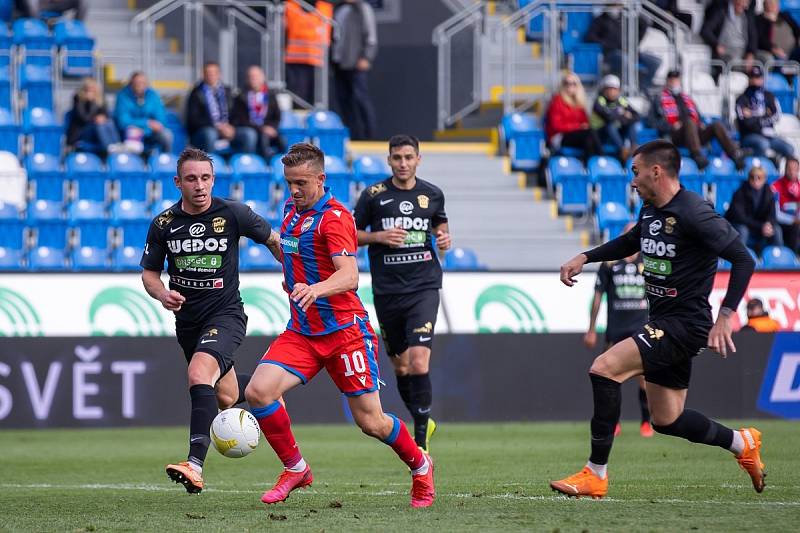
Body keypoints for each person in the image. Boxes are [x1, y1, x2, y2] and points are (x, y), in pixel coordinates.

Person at [552, 140, 763, 500]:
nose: (631, 181)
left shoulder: (695, 212)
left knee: (604, 368)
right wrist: (584, 257)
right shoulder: (650, 210)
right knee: (667, 419)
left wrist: (726, 315)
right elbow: (631, 241)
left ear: (656, 171)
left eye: (635, 172)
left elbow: (743, 259)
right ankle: (740, 442)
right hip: (664, 319)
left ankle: (595, 474)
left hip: (685, 324)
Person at [243, 143, 435, 508]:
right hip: (302, 329)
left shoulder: (335, 217)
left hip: (345, 332)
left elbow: (349, 276)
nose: (294, 191)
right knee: (259, 392)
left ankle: (420, 465)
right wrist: (282, 261)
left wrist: (315, 289)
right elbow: (292, 251)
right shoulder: (291, 210)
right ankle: (296, 468)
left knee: (372, 422)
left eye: (301, 183)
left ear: (321, 178)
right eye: (289, 183)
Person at [140, 147, 281, 494]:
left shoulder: (233, 213)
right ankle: (271, 386)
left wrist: (298, 277)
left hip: (226, 314)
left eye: (205, 178)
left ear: (213, 180)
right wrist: (161, 294)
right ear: (178, 182)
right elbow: (149, 274)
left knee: (198, 374)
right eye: (191, 179)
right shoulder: (163, 224)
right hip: (188, 323)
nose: (199, 185)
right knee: (227, 395)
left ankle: (194, 465)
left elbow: (274, 241)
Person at [353, 134, 451, 452]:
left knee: (419, 362)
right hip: (387, 290)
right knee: (402, 367)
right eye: (397, 158)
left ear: (418, 159)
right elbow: (351, 235)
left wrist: (444, 239)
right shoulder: (373, 196)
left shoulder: (433, 194)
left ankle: (420, 440)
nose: (404, 163)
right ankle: (423, 420)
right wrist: (380, 236)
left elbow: (440, 227)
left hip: (423, 287)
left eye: (409, 157)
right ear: (389, 160)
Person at [584, 222, 652, 438]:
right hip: (616, 328)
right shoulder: (610, 263)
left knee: (643, 378)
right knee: (611, 377)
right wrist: (592, 329)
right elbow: (597, 296)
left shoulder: (649, 263)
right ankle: (615, 423)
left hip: (640, 327)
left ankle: (645, 422)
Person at [652, 69, 745, 170]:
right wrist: (671, 126)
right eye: (672, 80)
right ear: (667, 81)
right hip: (676, 135)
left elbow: (698, 116)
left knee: (716, 125)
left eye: (676, 80)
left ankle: (734, 154)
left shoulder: (687, 98)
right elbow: (653, 121)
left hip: (694, 133)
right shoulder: (659, 99)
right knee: (689, 121)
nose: (674, 83)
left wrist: (700, 123)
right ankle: (697, 155)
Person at [332, 0, 379, 140]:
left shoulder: (363, 8)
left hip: (356, 63)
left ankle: (369, 135)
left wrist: (366, 57)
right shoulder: (338, 9)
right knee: (344, 101)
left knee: (360, 99)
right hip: (339, 63)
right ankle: (353, 135)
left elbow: (371, 36)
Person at [186, 62, 255, 155]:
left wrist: (232, 128)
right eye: (208, 73)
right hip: (205, 131)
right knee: (210, 134)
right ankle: (210, 164)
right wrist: (216, 126)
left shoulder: (228, 91)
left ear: (219, 74)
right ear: (203, 75)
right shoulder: (196, 93)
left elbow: (237, 113)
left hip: (228, 128)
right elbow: (193, 119)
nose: (211, 76)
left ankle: (240, 163)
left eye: (214, 73)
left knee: (249, 134)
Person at [584, 8, 661, 89]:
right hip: (611, 53)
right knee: (626, 61)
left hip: (630, 51)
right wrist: (606, 44)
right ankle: (628, 88)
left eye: (618, 4)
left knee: (655, 62)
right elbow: (590, 37)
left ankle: (644, 87)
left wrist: (635, 42)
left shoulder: (625, 17)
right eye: (613, 4)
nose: (616, 7)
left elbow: (644, 24)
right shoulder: (600, 20)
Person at [735, 66, 795, 161]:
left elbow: (776, 115)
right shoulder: (742, 99)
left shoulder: (769, 96)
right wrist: (765, 116)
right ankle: (761, 165)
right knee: (763, 145)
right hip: (749, 135)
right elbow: (745, 122)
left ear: (762, 78)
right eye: (752, 77)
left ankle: (777, 166)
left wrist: (754, 116)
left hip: (769, 135)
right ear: (749, 79)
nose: (755, 80)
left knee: (789, 149)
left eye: (758, 77)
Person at [284, 0, 333, 107]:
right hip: (295, 60)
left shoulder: (326, 8)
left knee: (316, 94)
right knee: (297, 93)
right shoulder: (290, 5)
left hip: (317, 60)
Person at [231, 65, 285, 161]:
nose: (253, 79)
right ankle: (253, 164)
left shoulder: (270, 96)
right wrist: (261, 128)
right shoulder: (240, 97)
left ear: (262, 77)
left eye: (256, 76)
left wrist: (272, 128)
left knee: (284, 141)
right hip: (250, 129)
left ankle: (281, 167)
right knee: (252, 136)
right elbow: (239, 120)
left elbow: (277, 116)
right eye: (251, 77)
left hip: (267, 129)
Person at [725, 166, 783, 252]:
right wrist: (760, 226)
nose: (756, 180)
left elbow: (772, 214)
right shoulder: (740, 192)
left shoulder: (769, 192)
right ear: (748, 178)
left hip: (759, 226)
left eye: (759, 177)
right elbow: (740, 217)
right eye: (753, 177)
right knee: (743, 230)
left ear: (764, 179)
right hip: (743, 224)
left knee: (776, 230)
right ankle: (740, 257)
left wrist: (768, 224)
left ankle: (778, 259)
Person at [545, 72, 601, 160]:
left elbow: (585, 122)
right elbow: (556, 126)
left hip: (577, 135)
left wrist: (580, 127)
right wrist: (577, 127)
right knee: (588, 135)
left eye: (573, 83)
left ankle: (592, 165)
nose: (570, 86)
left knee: (590, 137)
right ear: (562, 85)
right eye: (566, 83)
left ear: (578, 86)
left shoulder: (579, 103)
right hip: (560, 136)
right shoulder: (557, 101)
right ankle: (599, 160)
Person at [114, 71, 173, 155]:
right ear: (131, 83)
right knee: (133, 133)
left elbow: (160, 120)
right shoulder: (123, 96)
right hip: (130, 132)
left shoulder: (153, 95)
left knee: (167, 134)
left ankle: (165, 160)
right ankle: (135, 163)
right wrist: (146, 123)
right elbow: (123, 121)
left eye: (143, 83)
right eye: (137, 83)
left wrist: (146, 129)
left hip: (150, 133)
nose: (140, 85)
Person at [66, 78, 123, 155]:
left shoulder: (100, 98)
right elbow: (84, 118)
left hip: (97, 130)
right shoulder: (78, 100)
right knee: (99, 125)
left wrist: (102, 118)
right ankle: (108, 148)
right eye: (88, 89)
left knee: (109, 122)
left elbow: (106, 114)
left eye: (93, 89)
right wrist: (93, 103)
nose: (90, 92)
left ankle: (117, 145)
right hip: (83, 131)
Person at [591, 75, 640, 162]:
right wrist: (623, 114)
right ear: (604, 90)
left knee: (631, 124)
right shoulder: (599, 101)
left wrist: (619, 116)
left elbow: (636, 116)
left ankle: (633, 148)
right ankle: (623, 150)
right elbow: (608, 118)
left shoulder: (622, 100)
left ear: (618, 90)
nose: (612, 92)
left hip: (617, 133)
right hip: (600, 134)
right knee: (610, 125)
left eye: (614, 89)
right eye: (609, 89)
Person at [701, 0, 757, 67]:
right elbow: (705, 31)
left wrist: (750, 53)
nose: (745, 6)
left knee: (762, 61)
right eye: (743, 2)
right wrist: (716, 44)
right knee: (734, 63)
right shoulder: (721, 12)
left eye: (747, 3)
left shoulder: (747, 16)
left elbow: (753, 36)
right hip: (726, 53)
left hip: (743, 53)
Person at [772, 157, 800, 252]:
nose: (792, 172)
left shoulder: (799, 187)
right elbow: (775, 214)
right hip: (780, 223)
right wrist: (793, 220)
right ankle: (792, 259)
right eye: (789, 168)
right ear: (785, 169)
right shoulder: (775, 187)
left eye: (795, 169)